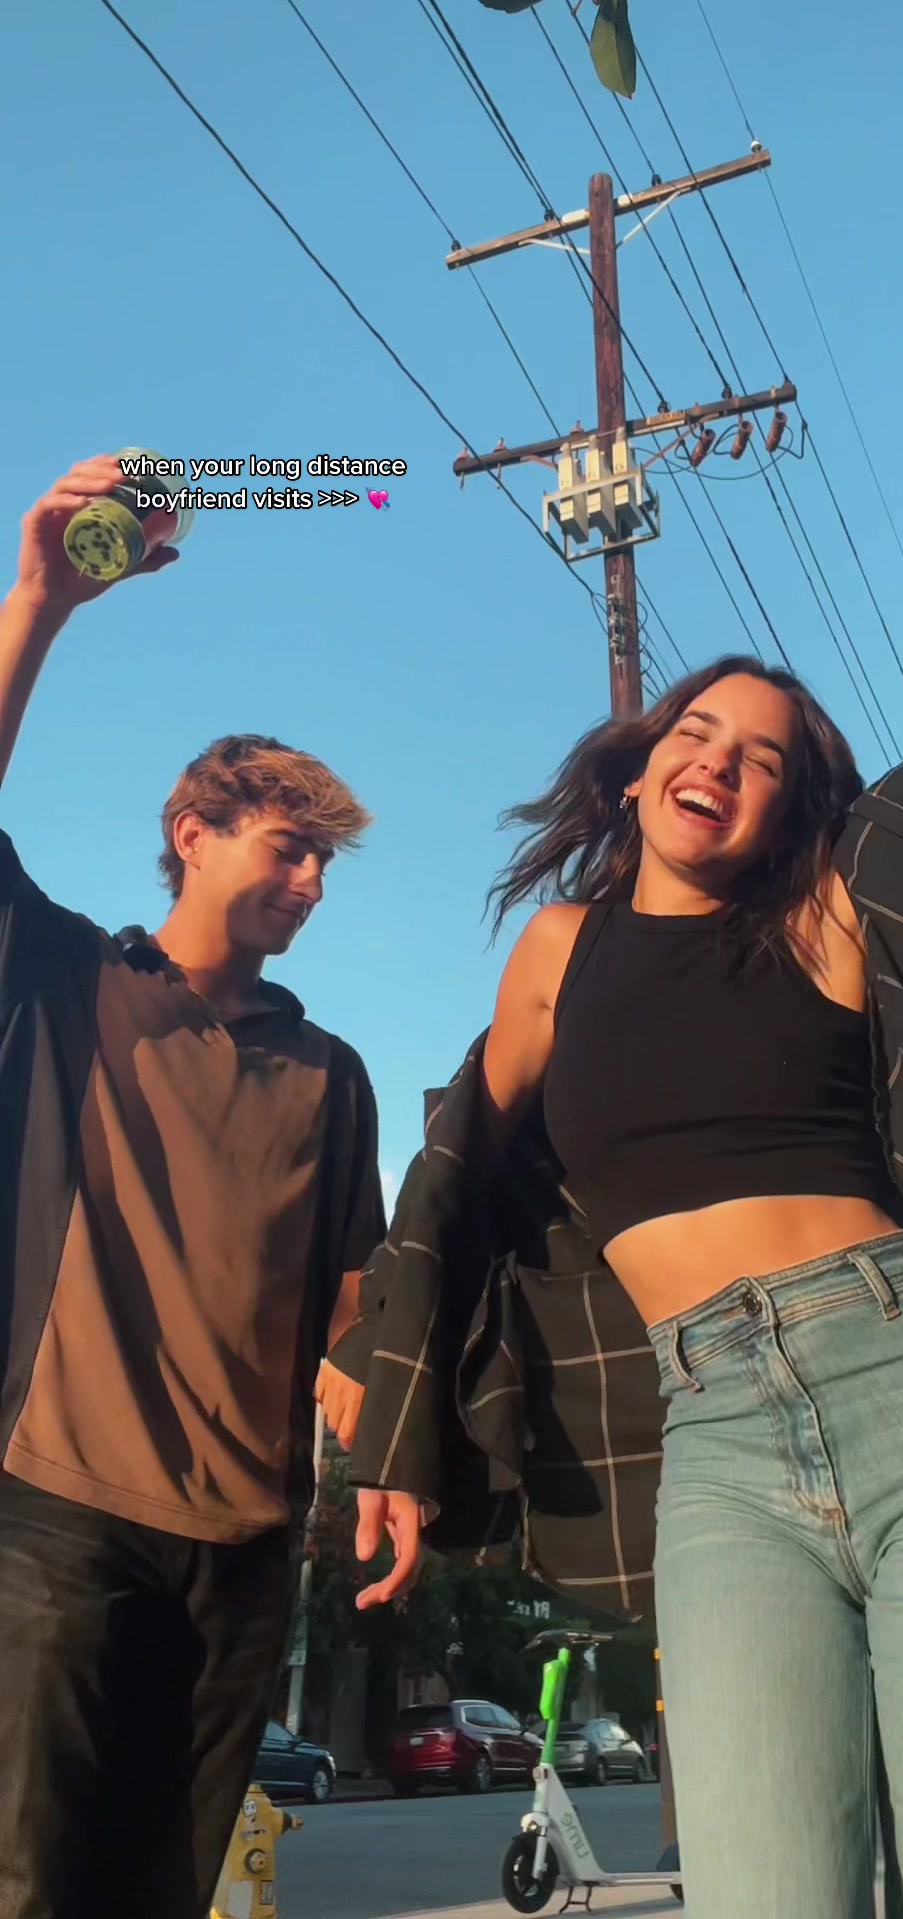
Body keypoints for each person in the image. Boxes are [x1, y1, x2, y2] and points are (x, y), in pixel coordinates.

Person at [333, 495, 903, 1918]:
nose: (720, 762)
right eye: (697, 732)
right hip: (717, 1448)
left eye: (764, 758)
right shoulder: (559, 952)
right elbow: (454, 1180)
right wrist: (389, 1401)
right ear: (637, 771)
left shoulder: (833, 910)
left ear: (792, 808)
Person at [0, 456, 385, 1919]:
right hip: (54, 1519)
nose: (313, 883)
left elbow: (351, 1294)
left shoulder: (330, 1071)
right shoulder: (68, 980)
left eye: (327, 863)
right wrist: (41, 601)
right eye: (292, 849)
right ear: (194, 833)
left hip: (243, 1555)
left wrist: (387, 1447)